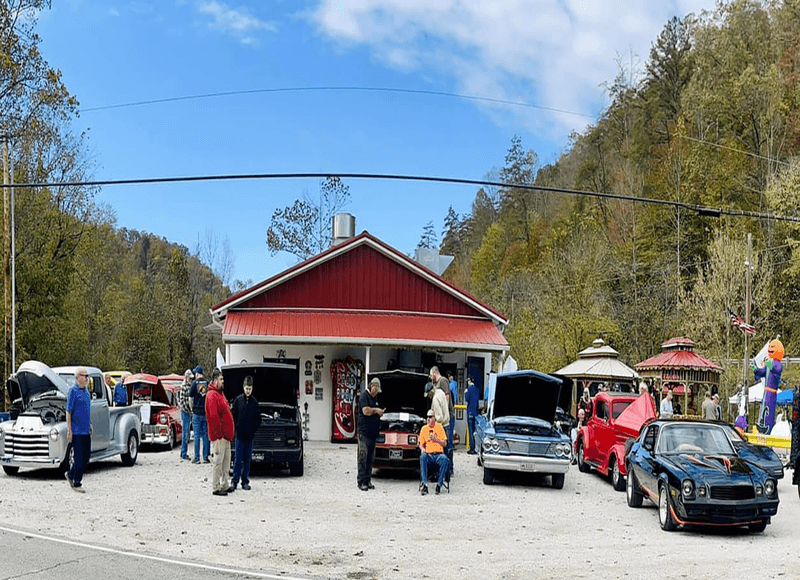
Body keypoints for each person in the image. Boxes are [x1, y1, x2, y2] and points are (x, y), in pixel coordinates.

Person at [205, 369, 235, 496]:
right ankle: (216, 486)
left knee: (226, 461)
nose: (223, 382)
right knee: (218, 461)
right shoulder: (212, 395)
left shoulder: (220, 394)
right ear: (215, 380)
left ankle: (225, 484)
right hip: (219, 436)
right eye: (221, 379)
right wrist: (218, 434)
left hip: (225, 435)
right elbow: (213, 416)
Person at [231, 375, 261, 491]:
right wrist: (236, 429)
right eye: (246, 388)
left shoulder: (254, 403)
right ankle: (234, 481)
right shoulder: (238, 401)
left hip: (249, 437)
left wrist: (253, 429)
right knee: (237, 460)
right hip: (239, 436)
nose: (248, 391)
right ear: (243, 388)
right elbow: (234, 417)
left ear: (252, 388)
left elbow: (258, 420)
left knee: (247, 460)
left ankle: (245, 481)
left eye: (250, 388)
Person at [65, 367, 92, 493]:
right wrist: (69, 430)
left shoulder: (86, 392)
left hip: (86, 429)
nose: (87, 378)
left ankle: (70, 474)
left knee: (86, 457)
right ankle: (77, 482)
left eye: (87, 376)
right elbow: (69, 411)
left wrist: (90, 423)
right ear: (78, 377)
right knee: (79, 457)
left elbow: (86, 410)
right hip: (77, 430)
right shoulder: (73, 391)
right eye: (84, 376)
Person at [356, 378, 384, 491]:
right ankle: (361, 481)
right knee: (363, 457)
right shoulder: (364, 397)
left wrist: (380, 413)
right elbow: (365, 411)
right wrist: (376, 410)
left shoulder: (375, 398)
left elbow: (375, 410)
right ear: (371, 386)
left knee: (370, 458)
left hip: (373, 434)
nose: (376, 392)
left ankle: (368, 480)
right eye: (375, 389)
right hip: (364, 433)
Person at [418, 409, 449, 495]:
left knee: (445, 459)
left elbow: (445, 443)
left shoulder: (439, 427)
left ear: (434, 418)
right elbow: (420, 443)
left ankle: (439, 484)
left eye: (430, 417)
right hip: (429, 454)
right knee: (422, 457)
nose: (428, 419)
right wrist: (422, 449)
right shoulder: (424, 429)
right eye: (427, 417)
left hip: (439, 454)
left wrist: (436, 439)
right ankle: (424, 485)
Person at [188, 365, 210, 464]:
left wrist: (192, 408)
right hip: (205, 413)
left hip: (196, 412)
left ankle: (197, 458)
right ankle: (205, 457)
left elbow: (190, 398)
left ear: (197, 373)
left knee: (196, 436)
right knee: (205, 435)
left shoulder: (194, 383)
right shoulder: (207, 383)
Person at [177, 369, 194, 460]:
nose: (190, 380)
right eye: (189, 378)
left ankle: (184, 452)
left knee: (186, 433)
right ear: (186, 377)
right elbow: (183, 402)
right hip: (185, 411)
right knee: (185, 433)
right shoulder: (184, 386)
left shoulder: (189, 385)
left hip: (187, 411)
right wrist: (190, 410)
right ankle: (183, 453)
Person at [465, 378, 479, 455]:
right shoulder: (477, 389)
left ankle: (472, 448)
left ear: (469, 381)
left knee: (470, 431)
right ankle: (476, 447)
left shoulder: (469, 389)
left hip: (470, 411)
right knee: (475, 431)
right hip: (475, 412)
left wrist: (465, 392)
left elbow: (466, 399)